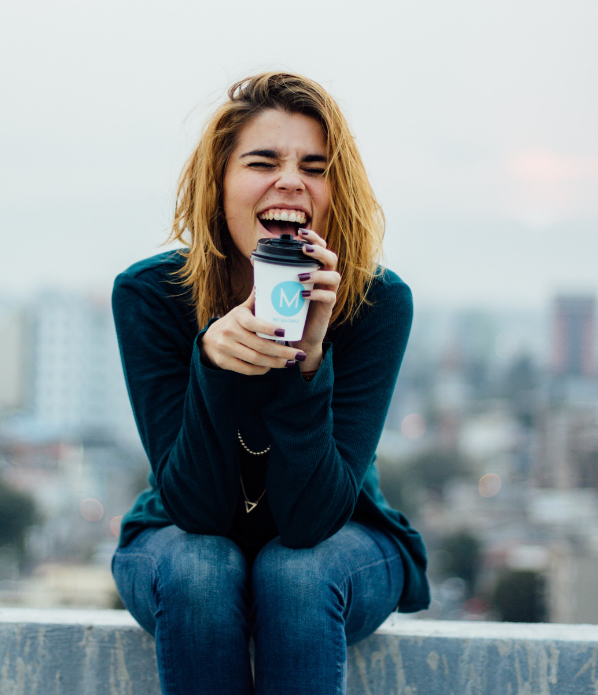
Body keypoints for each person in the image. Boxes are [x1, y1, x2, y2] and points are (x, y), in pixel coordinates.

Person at [111, 72, 430, 695]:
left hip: (344, 538)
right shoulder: (151, 295)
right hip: (180, 542)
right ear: (220, 185)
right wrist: (210, 361)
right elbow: (196, 510)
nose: (290, 180)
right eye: (262, 161)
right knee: (204, 569)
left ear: (336, 193)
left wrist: (310, 355)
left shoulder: (377, 302)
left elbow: (312, 522)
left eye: (315, 166)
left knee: (294, 574)